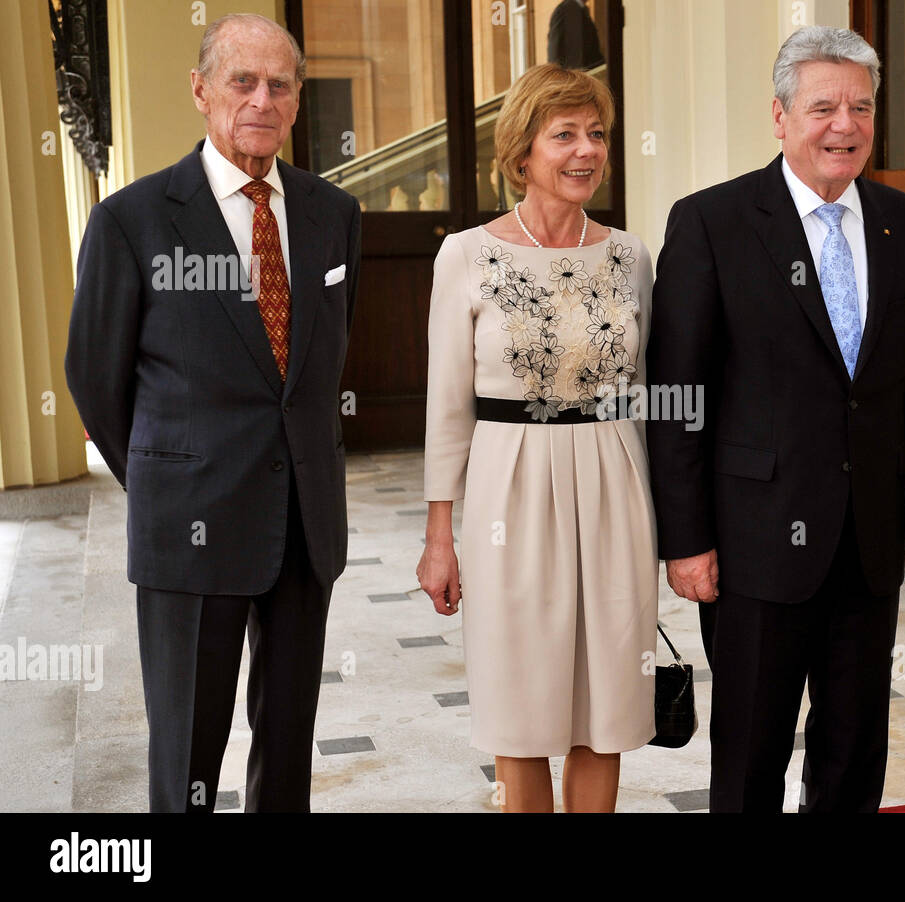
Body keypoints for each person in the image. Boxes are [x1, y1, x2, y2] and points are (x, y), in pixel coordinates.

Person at [646, 26, 905, 813]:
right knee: (751, 751)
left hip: (870, 537)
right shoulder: (711, 223)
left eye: (860, 107)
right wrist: (685, 540)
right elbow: (675, 396)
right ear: (780, 116)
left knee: (855, 751)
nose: (844, 125)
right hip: (753, 541)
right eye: (823, 107)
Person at [64, 14, 361, 812]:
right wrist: (169, 480)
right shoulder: (132, 221)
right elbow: (94, 378)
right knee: (188, 754)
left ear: (298, 101)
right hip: (189, 529)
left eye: (280, 85)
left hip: (305, 523)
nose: (262, 100)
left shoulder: (335, 214)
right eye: (243, 81)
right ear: (201, 90)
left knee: (288, 743)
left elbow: (316, 365)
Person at [418, 63, 657, 813]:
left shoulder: (630, 256)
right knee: (519, 708)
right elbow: (447, 405)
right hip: (508, 492)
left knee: (606, 703)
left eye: (597, 134)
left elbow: (649, 394)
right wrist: (439, 536)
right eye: (565, 135)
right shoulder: (466, 255)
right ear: (522, 152)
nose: (586, 150)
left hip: (614, 483)